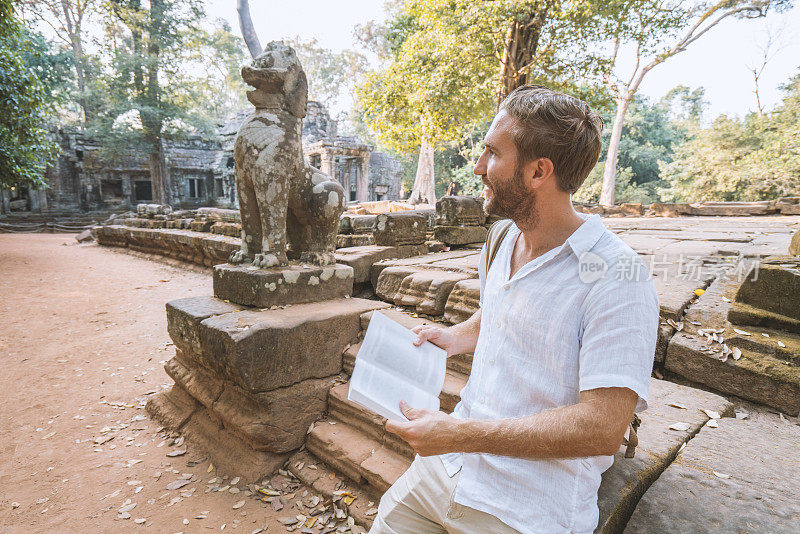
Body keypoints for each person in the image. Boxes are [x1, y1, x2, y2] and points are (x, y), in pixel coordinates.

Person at [370, 85, 659, 534]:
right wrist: (457, 336)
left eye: (491, 153)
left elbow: (603, 427)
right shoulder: (503, 238)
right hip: (445, 472)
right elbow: (502, 309)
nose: (478, 167)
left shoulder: (618, 277)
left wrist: (456, 434)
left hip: (526, 507)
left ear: (538, 171)